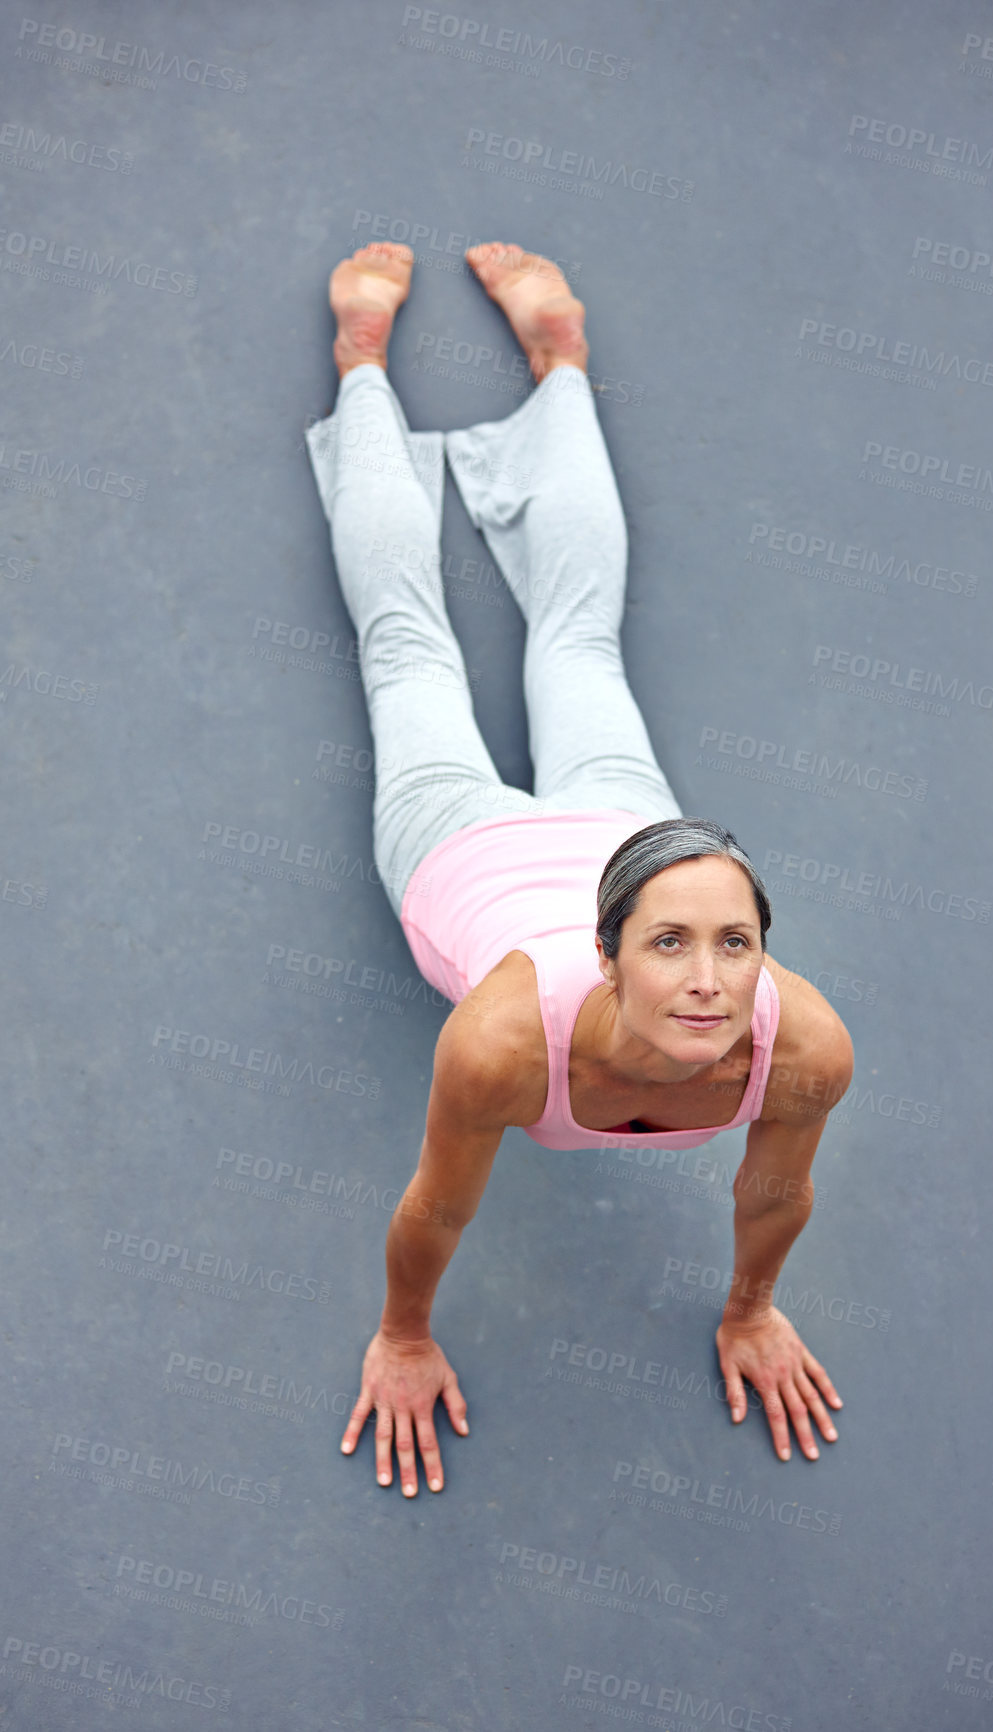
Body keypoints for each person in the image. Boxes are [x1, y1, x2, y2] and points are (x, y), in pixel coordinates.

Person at [305, 242, 855, 1499]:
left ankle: (561, 368)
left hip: (623, 822)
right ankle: (363, 365)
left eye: (734, 941)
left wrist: (751, 1308)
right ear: (603, 953)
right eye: (670, 943)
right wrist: (401, 1334)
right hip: (462, 844)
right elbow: (434, 1211)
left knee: (573, 638)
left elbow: (776, 1194)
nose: (711, 980)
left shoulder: (806, 1046)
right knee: (407, 649)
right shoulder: (501, 1041)